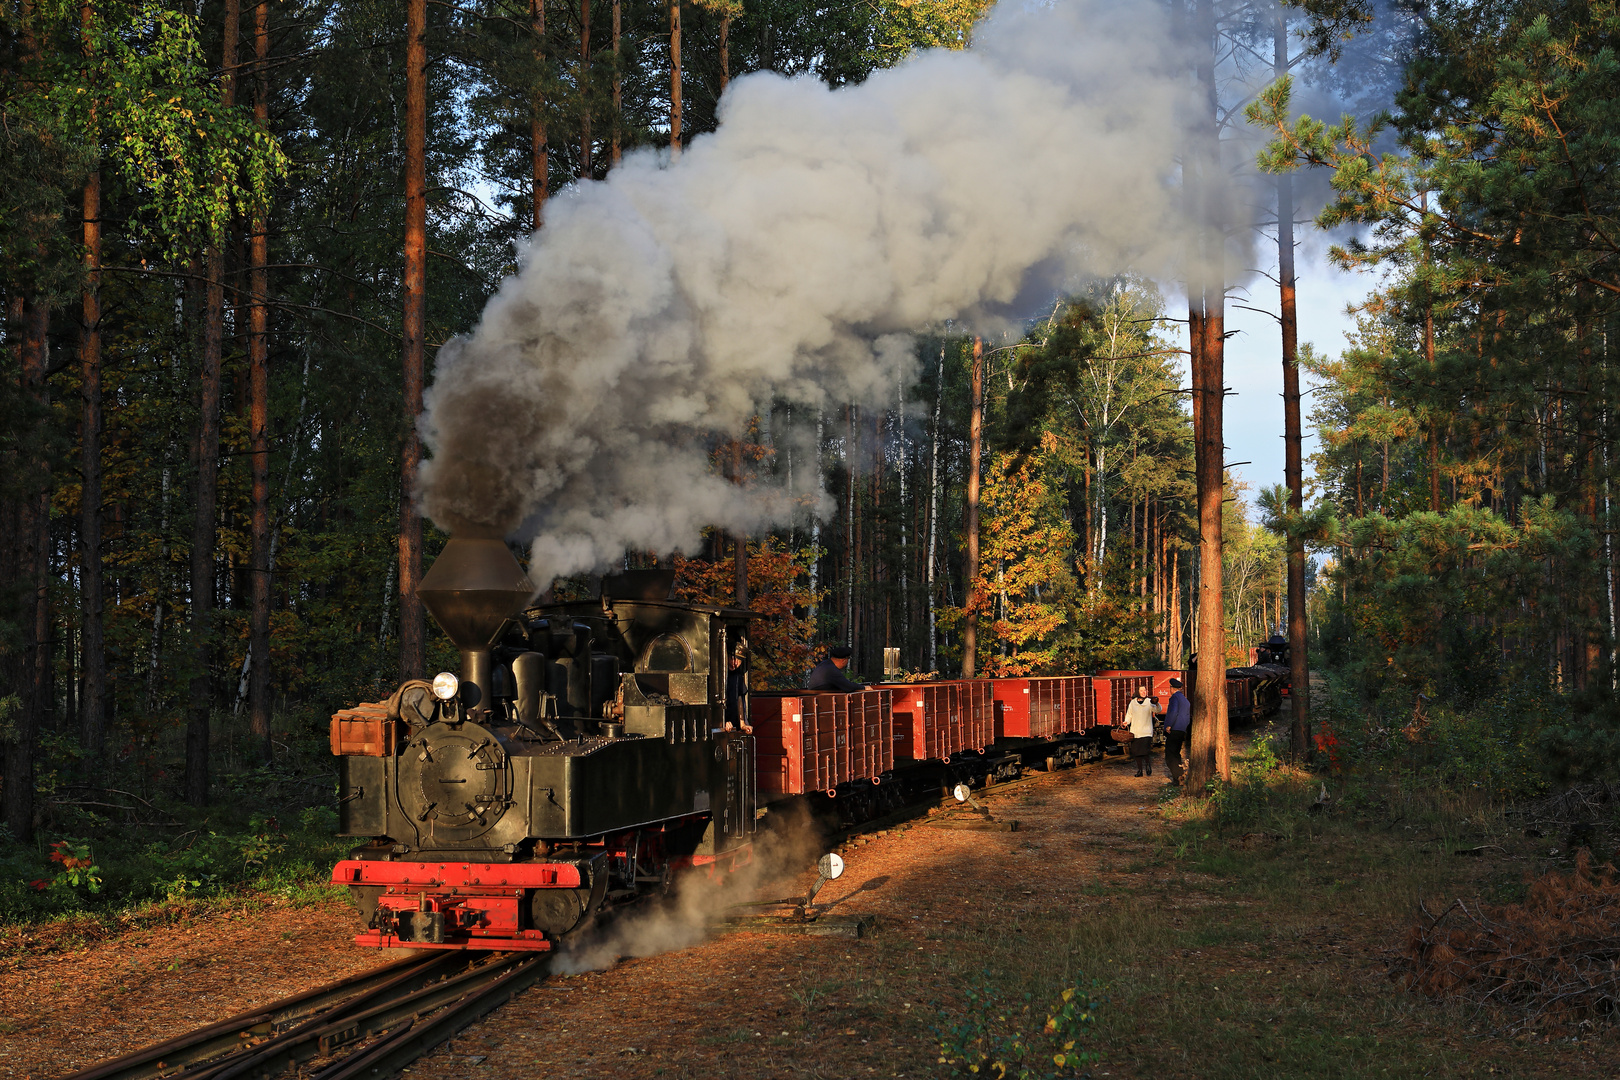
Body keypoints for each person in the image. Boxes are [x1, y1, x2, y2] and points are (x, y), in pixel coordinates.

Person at [1122, 684, 1162, 778]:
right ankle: (1139, 770)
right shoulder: (1132, 703)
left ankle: (1148, 765)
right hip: (1135, 731)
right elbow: (1129, 715)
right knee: (1136, 752)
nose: (1144, 692)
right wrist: (1126, 722)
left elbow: (1157, 710)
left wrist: (1156, 703)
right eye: (1142, 691)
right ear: (1137, 692)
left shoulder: (1149, 702)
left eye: (1145, 690)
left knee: (1145, 751)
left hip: (1146, 731)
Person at [1162, 677, 1191, 785]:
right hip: (1182, 729)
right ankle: (1180, 775)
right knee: (1176, 753)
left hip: (1174, 729)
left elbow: (1173, 712)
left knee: (1170, 755)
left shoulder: (1174, 698)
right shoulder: (1185, 700)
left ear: (1171, 688)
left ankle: (1178, 776)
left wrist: (1168, 725)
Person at [724, 642, 752, 733]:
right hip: (722, 723)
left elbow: (740, 698)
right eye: (732, 658)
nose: (735, 663)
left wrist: (742, 724)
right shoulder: (719, 675)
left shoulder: (737, 675)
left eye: (738, 660)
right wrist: (722, 722)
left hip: (734, 724)